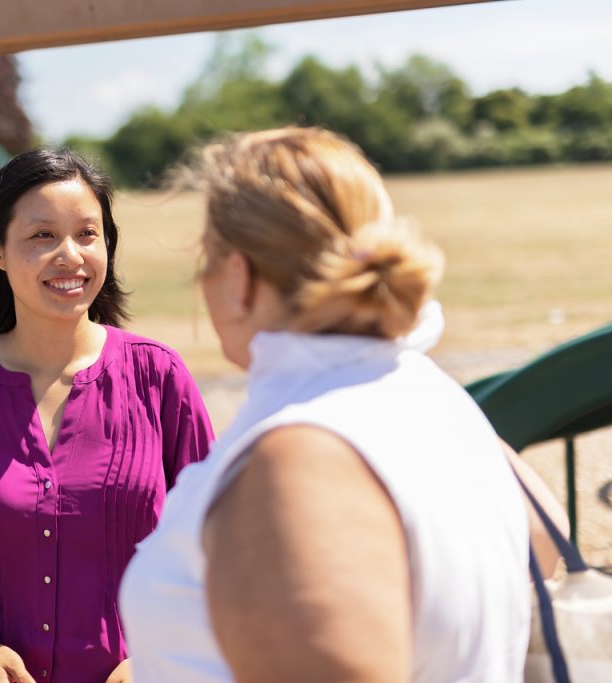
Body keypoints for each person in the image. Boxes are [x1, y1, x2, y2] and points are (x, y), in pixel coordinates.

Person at [120, 127, 543, 682]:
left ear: (239, 279)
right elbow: (546, 543)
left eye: (205, 258)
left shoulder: (299, 460)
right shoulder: (432, 396)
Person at [0, 148, 215, 683]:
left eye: (87, 234)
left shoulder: (158, 377)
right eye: (42, 236)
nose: (69, 255)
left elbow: (216, 534)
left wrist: (158, 654)